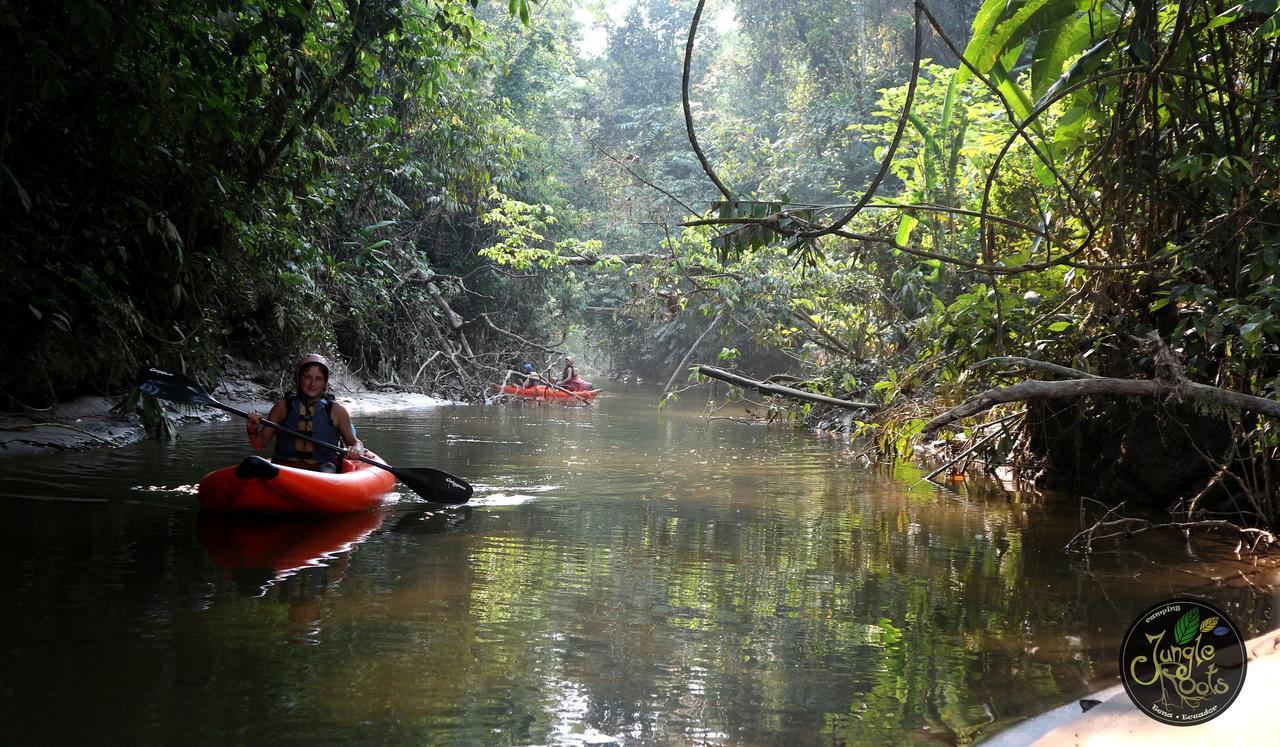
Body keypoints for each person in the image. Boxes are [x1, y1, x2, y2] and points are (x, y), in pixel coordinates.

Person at [246, 354, 363, 473]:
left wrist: (356, 449)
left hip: (323, 470)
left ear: (325, 382)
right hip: (284, 469)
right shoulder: (282, 407)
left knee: (327, 470)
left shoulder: (337, 410)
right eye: (307, 377)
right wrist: (252, 430)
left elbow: (355, 442)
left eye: (318, 378)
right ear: (299, 378)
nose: (312, 383)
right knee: (251, 462)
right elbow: (259, 444)